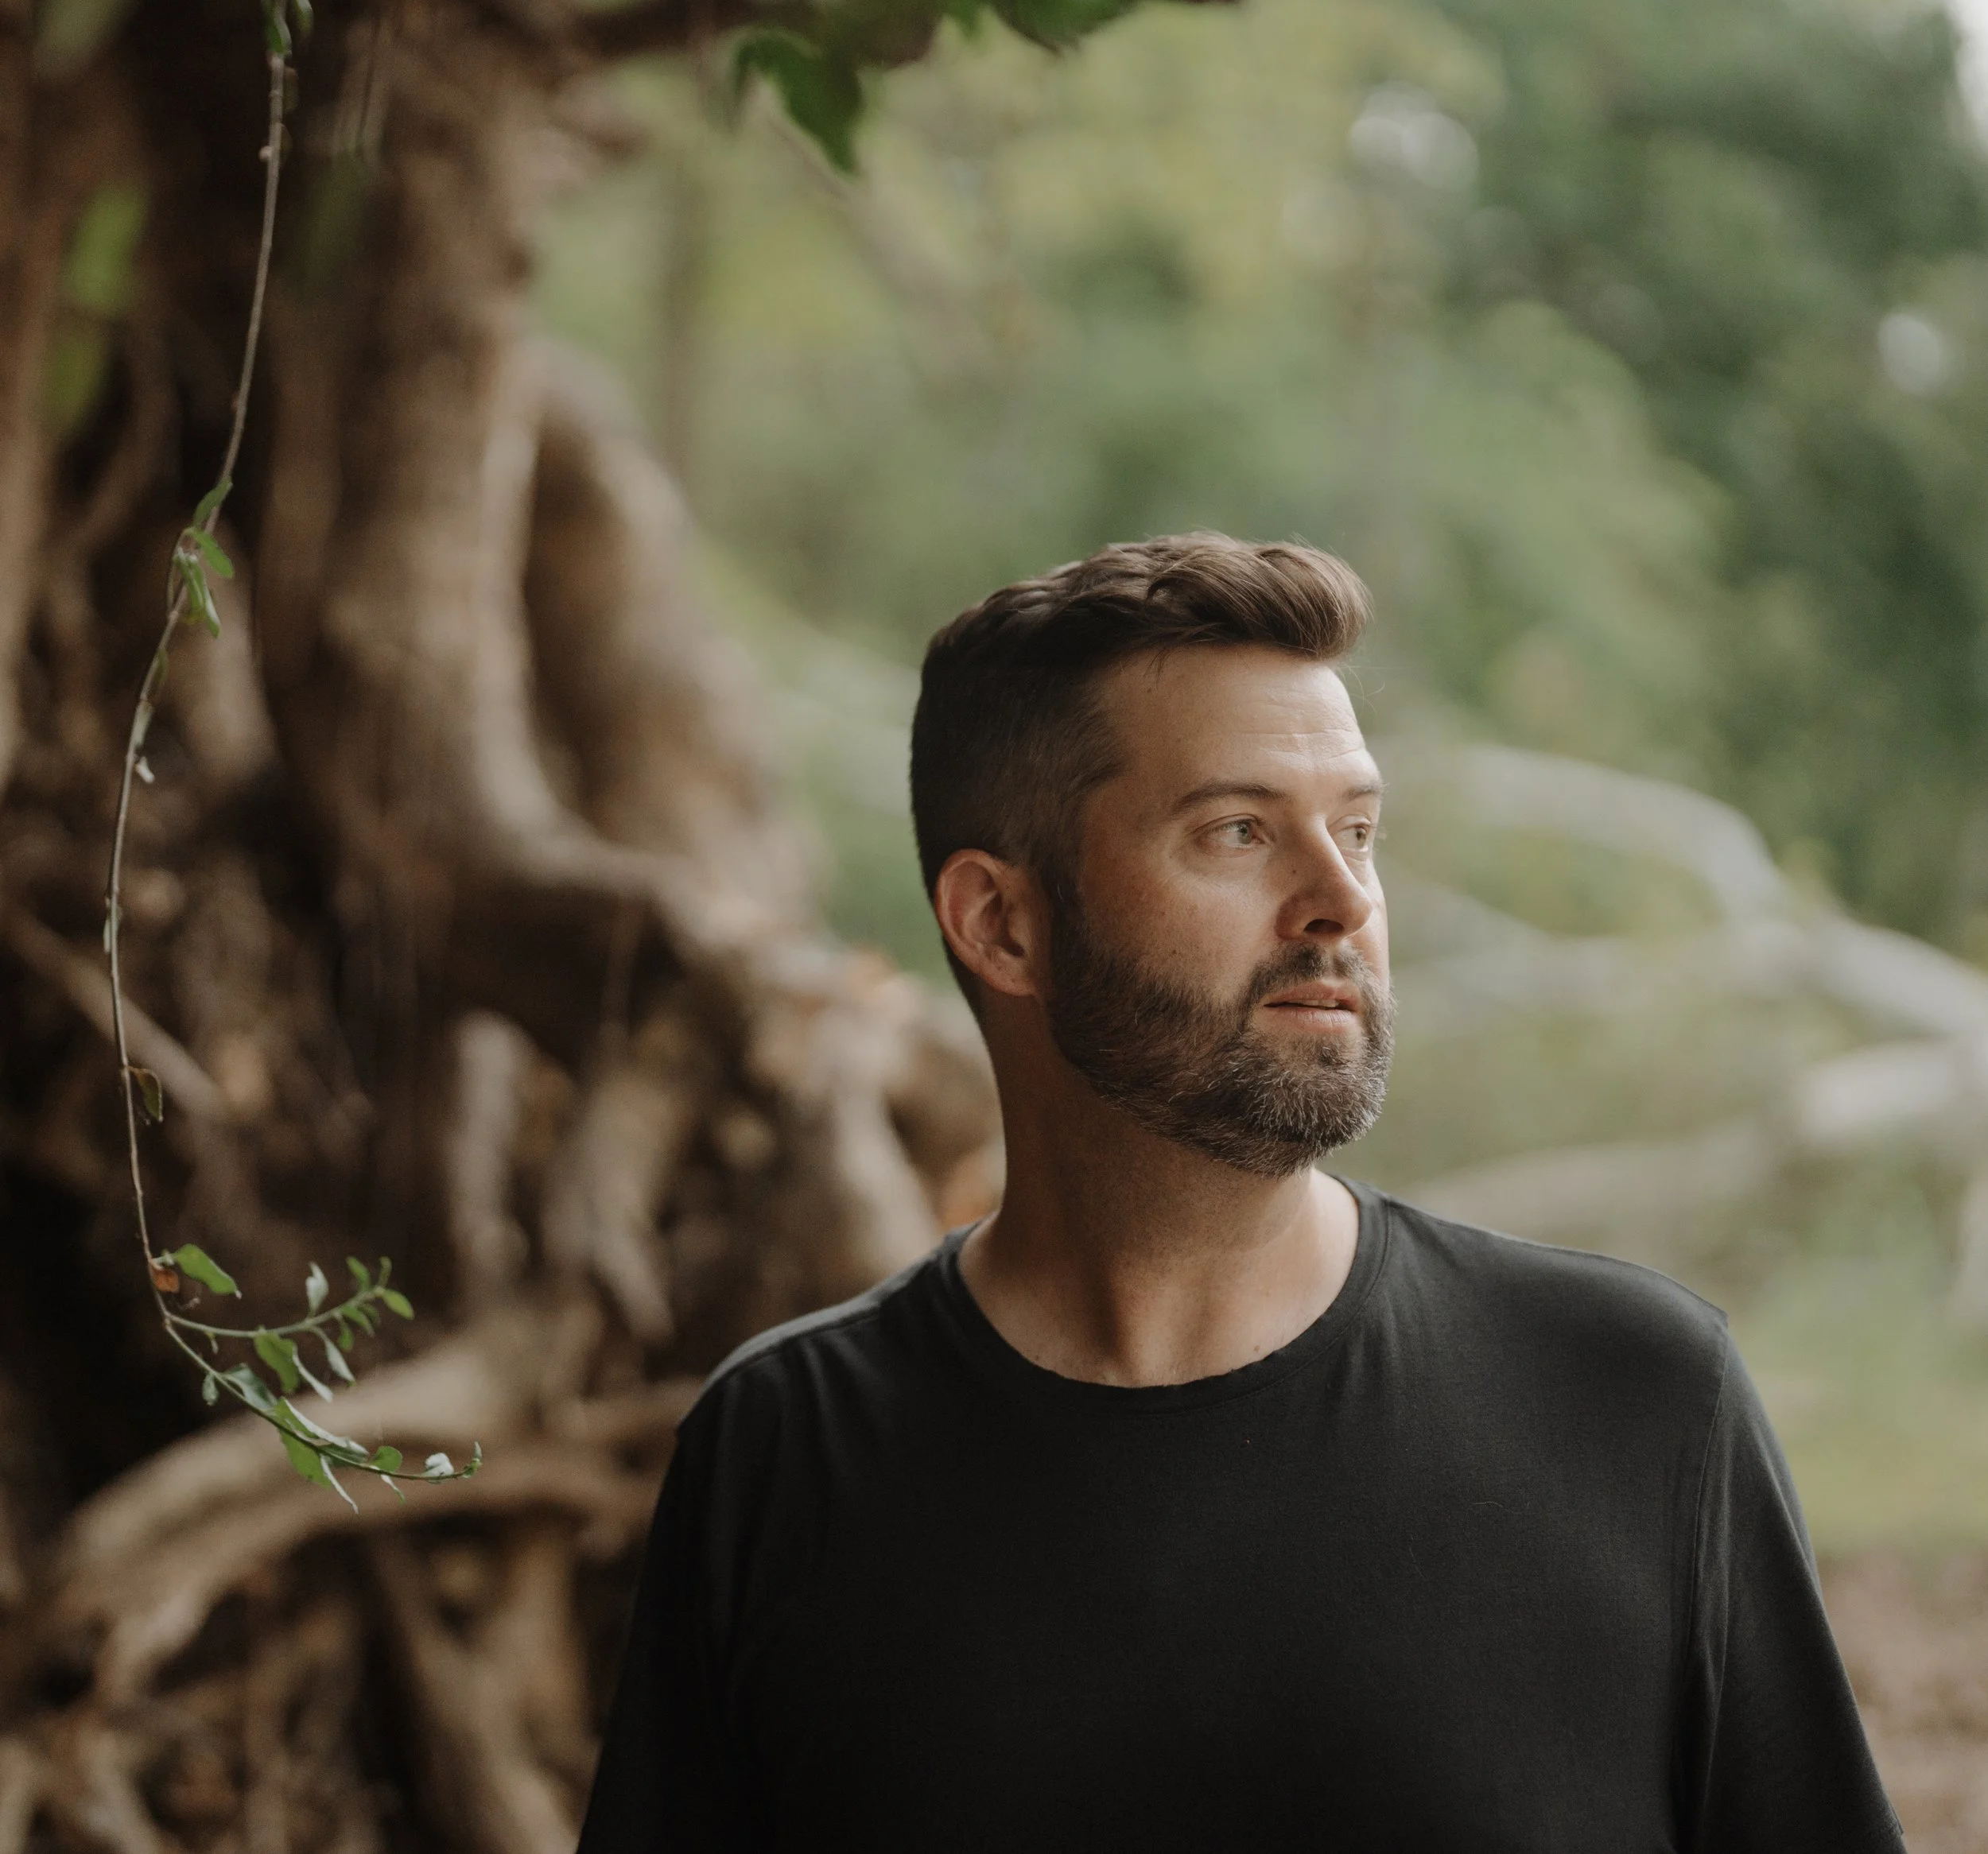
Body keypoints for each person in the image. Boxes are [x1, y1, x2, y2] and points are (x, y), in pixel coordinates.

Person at [577, 534, 1903, 1852]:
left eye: (1360, 832)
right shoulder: (782, 1460)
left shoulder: (1637, 1400)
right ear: (1002, 925)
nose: (1340, 901)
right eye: (1237, 831)